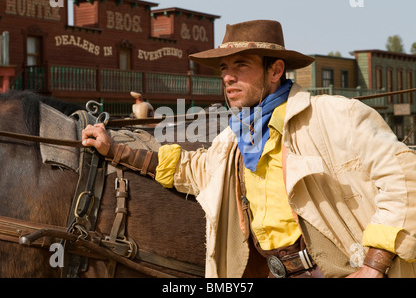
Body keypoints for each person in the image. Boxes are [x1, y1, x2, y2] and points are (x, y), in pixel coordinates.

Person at [82, 20, 416, 278]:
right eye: (223, 69)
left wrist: (375, 263)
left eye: (240, 65)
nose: (227, 77)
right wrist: (117, 150)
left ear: (275, 70)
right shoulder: (234, 138)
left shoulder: (333, 115)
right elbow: (192, 170)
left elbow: (406, 177)